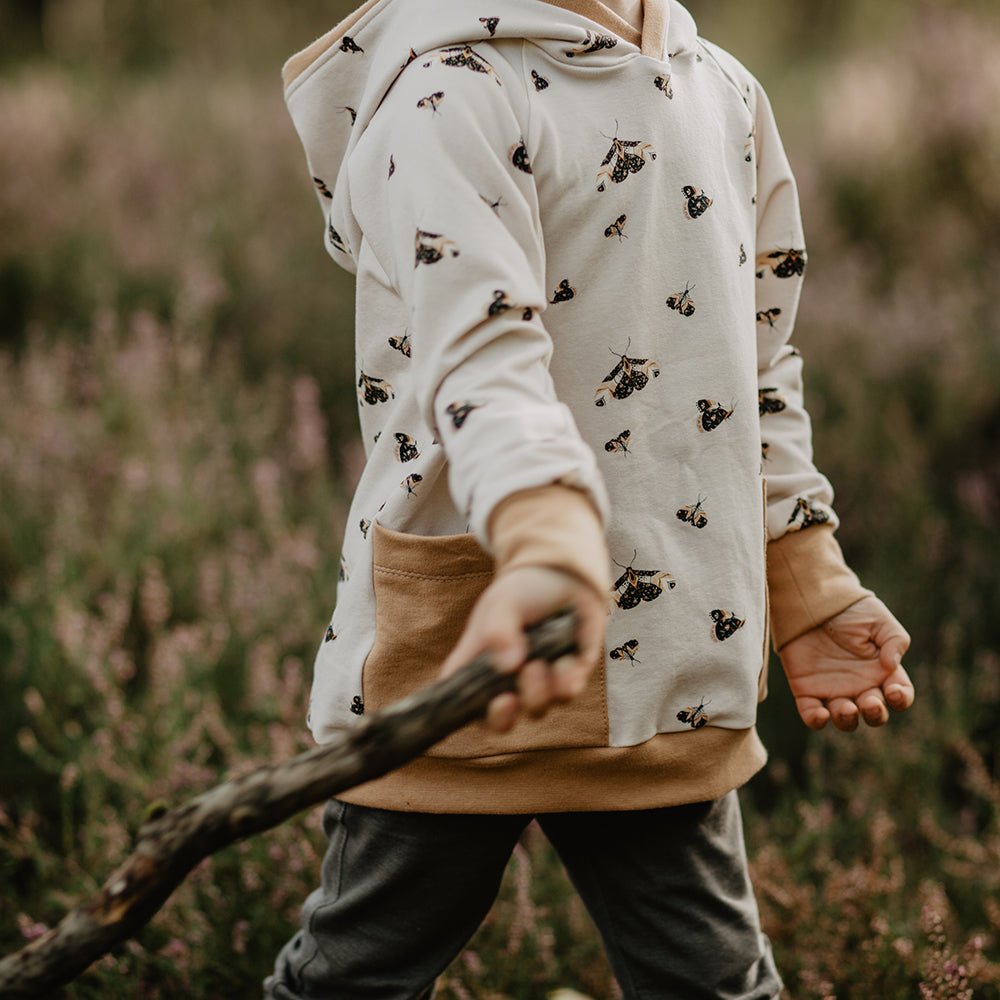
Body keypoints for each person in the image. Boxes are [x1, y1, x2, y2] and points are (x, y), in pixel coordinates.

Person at [266, 0, 915, 996]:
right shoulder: (446, 91)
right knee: (354, 975)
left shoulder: (722, 91)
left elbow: (754, 365)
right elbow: (483, 362)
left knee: (715, 984)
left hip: (664, 670)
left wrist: (805, 574)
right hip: (468, 650)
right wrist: (546, 544)